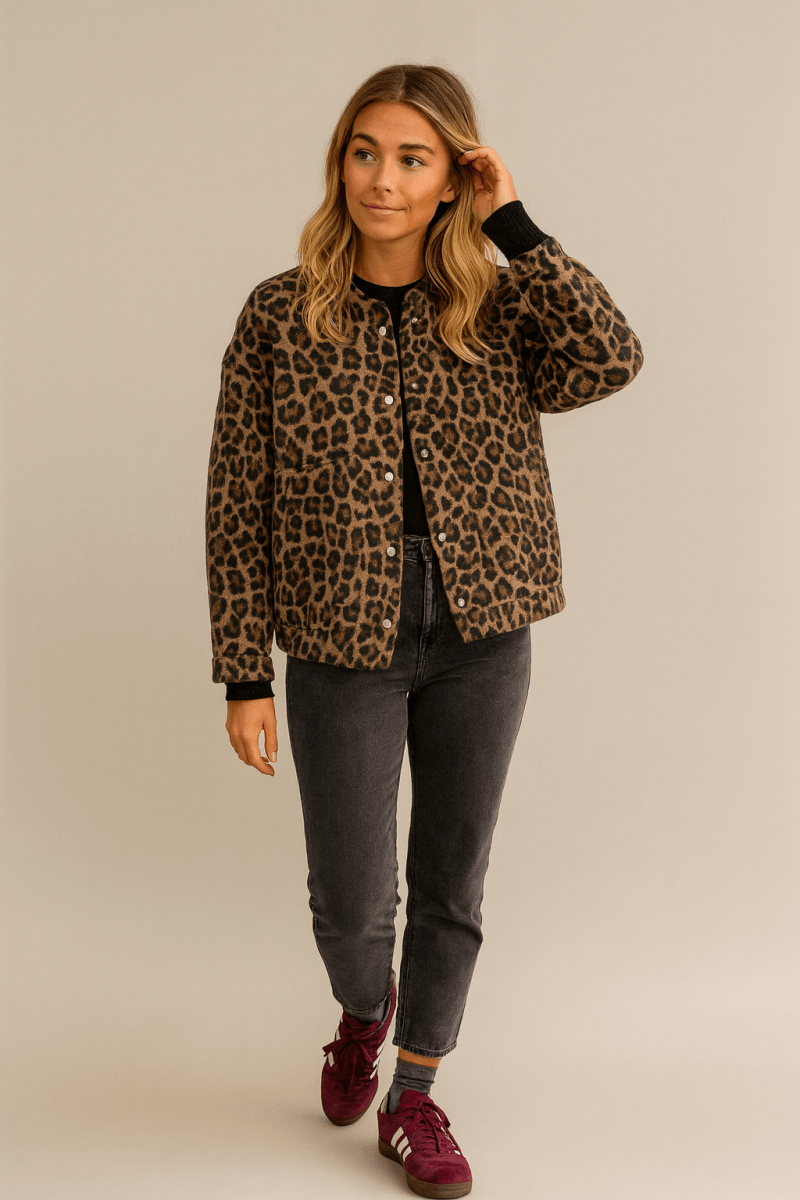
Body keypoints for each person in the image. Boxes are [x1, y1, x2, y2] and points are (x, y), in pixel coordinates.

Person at [205, 62, 644, 1199]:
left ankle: (414, 1094)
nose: (383, 180)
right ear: (338, 162)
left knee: (452, 882)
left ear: (453, 176)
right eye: (365, 152)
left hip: (481, 634)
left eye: (413, 158)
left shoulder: (498, 305)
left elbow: (611, 359)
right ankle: (365, 1009)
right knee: (353, 906)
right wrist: (242, 673)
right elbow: (235, 500)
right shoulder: (279, 314)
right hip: (339, 639)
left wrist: (515, 225)